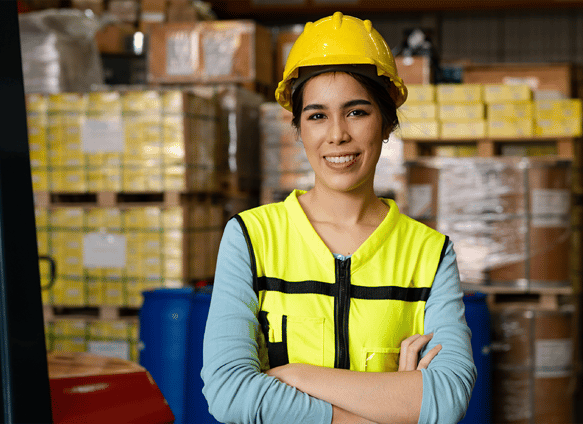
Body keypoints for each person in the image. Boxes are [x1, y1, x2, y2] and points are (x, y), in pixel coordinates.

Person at [201, 12, 475, 424]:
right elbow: (230, 394)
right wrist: (389, 407)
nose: (336, 135)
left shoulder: (430, 255)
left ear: (387, 123)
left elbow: (446, 399)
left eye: (356, 112)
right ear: (299, 129)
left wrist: (295, 375)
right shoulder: (251, 238)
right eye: (317, 115)